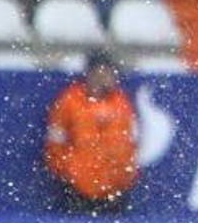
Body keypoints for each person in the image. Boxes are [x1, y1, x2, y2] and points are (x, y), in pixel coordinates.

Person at [45, 50, 139, 213]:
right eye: (102, 72)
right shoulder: (70, 101)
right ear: (90, 74)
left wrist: (125, 176)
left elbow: (130, 142)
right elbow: (55, 142)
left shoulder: (121, 103)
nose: (106, 78)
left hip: (114, 188)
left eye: (110, 73)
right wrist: (67, 173)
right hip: (78, 187)